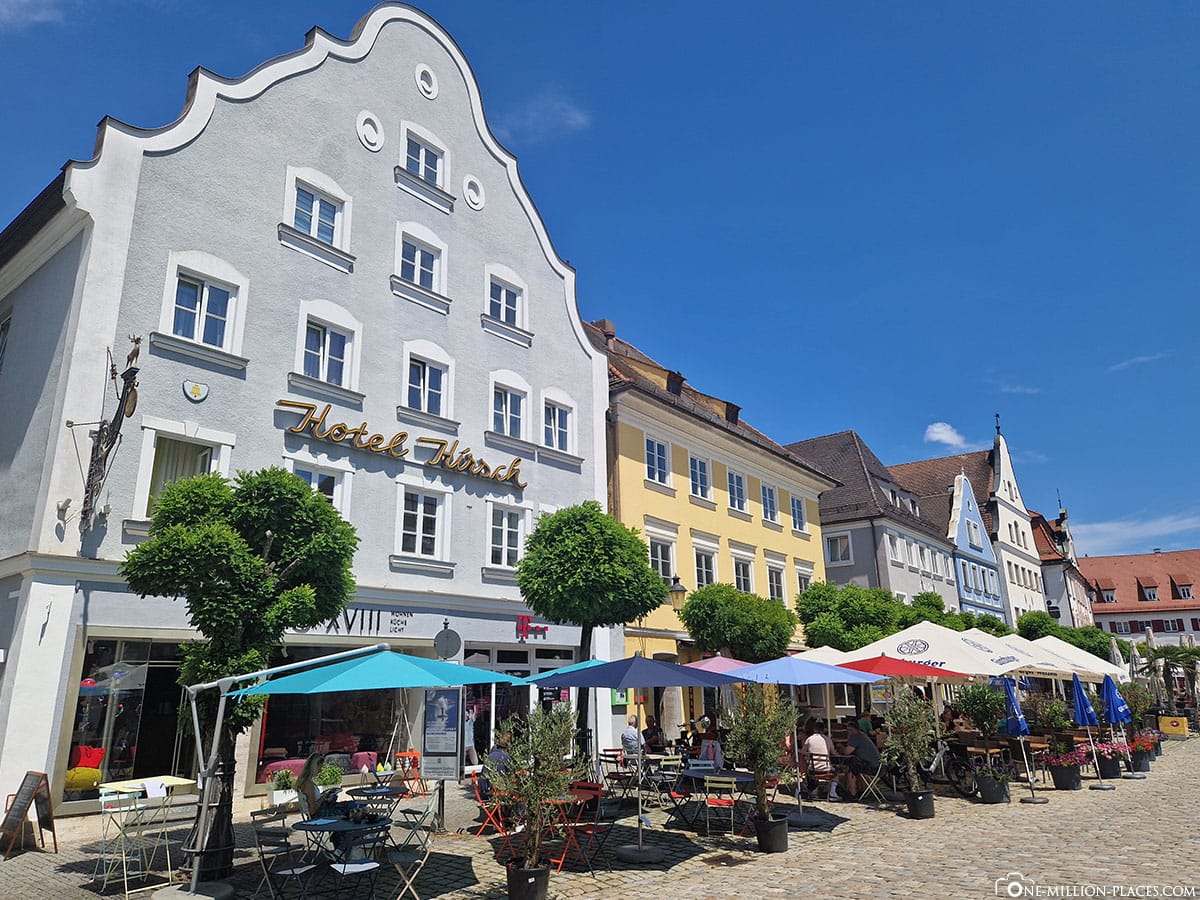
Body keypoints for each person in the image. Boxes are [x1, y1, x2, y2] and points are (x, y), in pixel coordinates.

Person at [837, 719, 881, 799]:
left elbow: (847, 752)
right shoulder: (862, 735)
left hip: (872, 767)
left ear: (853, 729)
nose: (848, 732)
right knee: (855, 765)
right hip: (878, 765)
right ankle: (860, 789)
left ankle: (853, 794)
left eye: (849, 730)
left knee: (852, 767)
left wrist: (841, 747)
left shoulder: (856, 737)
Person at [478, 731, 512, 800]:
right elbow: (511, 776)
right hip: (493, 793)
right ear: (508, 746)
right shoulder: (506, 757)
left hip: (483, 792)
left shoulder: (490, 756)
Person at [296, 752, 326, 818]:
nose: (320, 771)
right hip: (317, 816)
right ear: (314, 767)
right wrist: (324, 797)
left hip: (316, 814)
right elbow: (313, 810)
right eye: (320, 768)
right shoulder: (308, 784)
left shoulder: (304, 780)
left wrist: (323, 795)